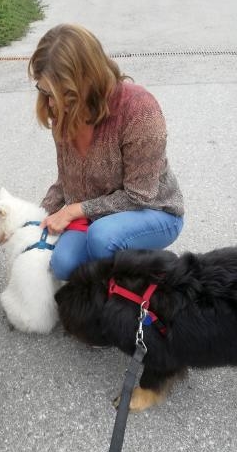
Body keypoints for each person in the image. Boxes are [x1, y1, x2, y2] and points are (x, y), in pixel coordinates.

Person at [28, 23, 184, 281]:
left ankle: (140, 279)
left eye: (61, 93)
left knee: (102, 238)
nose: (52, 104)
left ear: (88, 79)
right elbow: (66, 180)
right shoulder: (61, 110)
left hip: (153, 210)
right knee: (64, 265)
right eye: (45, 91)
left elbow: (140, 196)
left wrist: (72, 211)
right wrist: (36, 218)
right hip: (95, 214)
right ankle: (117, 264)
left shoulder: (139, 110)